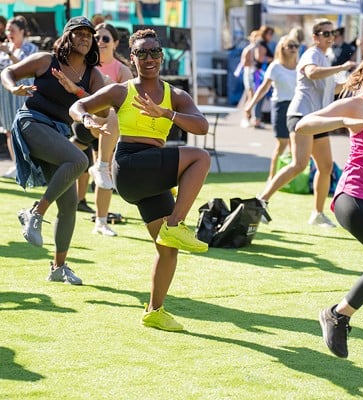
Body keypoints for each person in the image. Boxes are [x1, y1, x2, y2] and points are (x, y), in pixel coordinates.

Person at [69, 28, 210, 330]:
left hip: (151, 176)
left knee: (167, 249)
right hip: (130, 165)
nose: (149, 58)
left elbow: (201, 126)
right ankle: (176, 224)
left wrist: (166, 113)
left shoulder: (177, 95)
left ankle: (155, 311)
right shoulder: (121, 91)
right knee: (200, 158)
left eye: (154, 52)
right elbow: (77, 106)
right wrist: (88, 119)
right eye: (141, 53)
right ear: (131, 58)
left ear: (162, 56)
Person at [295, 36, 363, 385]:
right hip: (356, 196)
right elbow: (303, 125)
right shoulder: (359, 105)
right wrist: (341, 121)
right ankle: (337, 314)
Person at [0, 16, 107, 284]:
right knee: (79, 160)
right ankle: (35, 213)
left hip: (57, 132)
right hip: (31, 123)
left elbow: (105, 110)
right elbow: (8, 73)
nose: (85, 38)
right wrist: (14, 88)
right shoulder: (47, 60)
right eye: (79, 33)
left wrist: (78, 91)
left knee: (69, 203)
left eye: (89, 35)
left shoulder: (93, 75)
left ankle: (58, 267)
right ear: (68, 36)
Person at [257, 18, 356, 228]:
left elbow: (333, 89)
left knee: (326, 166)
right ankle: (261, 201)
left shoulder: (325, 57)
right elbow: (311, 72)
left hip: (316, 118)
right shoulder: (311, 54)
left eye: (333, 33)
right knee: (299, 164)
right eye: (326, 33)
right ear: (315, 37)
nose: (331, 37)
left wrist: (352, 82)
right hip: (301, 116)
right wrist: (342, 67)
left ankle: (317, 214)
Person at [73, 22, 133, 236]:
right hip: (84, 123)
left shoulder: (122, 70)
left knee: (103, 171)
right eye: (97, 38)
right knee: (78, 160)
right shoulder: (85, 65)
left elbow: (128, 104)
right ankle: (78, 200)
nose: (100, 42)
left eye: (105, 38)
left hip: (108, 128)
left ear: (115, 43)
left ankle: (101, 221)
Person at [245, 35, 298, 181]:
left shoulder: (300, 66)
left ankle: (294, 179)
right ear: (282, 49)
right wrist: (250, 105)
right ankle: (272, 177)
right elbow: (263, 88)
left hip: (297, 108)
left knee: (297, 145)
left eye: (296, 46)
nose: (294, 49)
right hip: (281, 106)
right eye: (290, 46)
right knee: (282, 144)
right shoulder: (275, 66)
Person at [0, 15, 38, 179]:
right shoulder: (5, 48)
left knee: (25, 131)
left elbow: (24, 68)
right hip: (5, 95)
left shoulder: (31, 48)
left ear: (22, 31)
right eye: (8, 30)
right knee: (9, 131)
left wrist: (9, 53)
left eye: (12, 30)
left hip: (23, 95)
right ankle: (17, 166)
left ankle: (31, 168)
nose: (9, 33)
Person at [252, 25, 275, 129]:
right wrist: (271, 59)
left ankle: (257, 119)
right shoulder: (261, 43)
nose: (270, 36)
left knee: (260, 96)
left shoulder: (264, 43)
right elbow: (260, 58)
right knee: (259, 96)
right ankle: (256, 120)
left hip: (262, 73)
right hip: (260, 73)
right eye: (269, 34)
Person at [237, 30, 259, 128]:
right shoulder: (248, 49)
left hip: (256, 75)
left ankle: (253, 117)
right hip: (249, 74)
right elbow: (244, 63)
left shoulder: (259, 48)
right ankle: (246, 117)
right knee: (250, 96)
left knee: (254, 96)